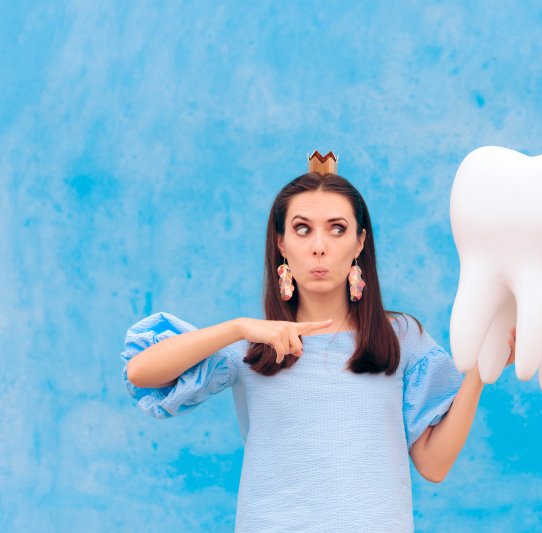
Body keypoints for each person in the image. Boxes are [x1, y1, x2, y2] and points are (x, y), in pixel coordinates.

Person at [119, 151, 516, 532]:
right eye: (302, 228)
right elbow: (141, 373)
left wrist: (481, 370)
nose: (318, 246)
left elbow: (434, 464)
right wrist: (238, 327)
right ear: (281, 243)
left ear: (360, 243)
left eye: (337, 228)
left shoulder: (400, 339)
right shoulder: (253, 346)